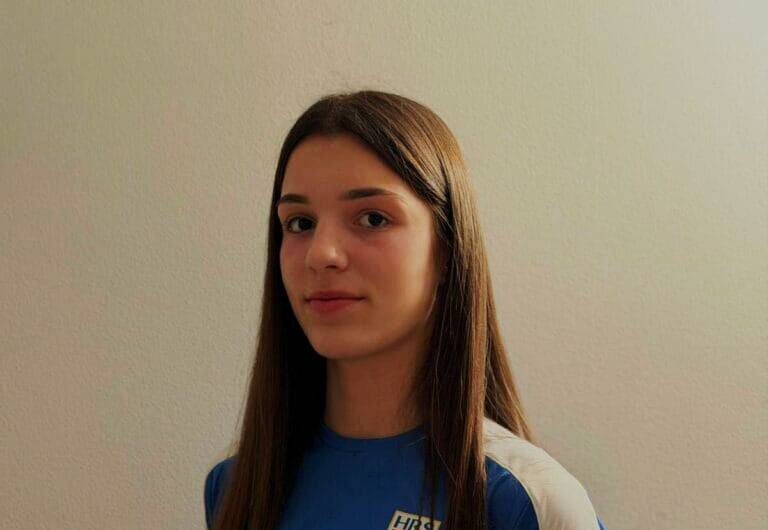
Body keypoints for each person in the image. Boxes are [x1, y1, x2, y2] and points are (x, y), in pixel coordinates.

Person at [203, 89, 609, 530]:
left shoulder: (524, 500)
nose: (321, 254)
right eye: (300, 223)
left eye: (372, 218)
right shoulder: (237, 485)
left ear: (448, 249)